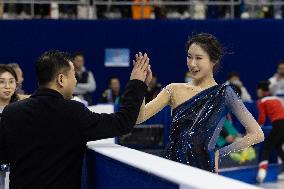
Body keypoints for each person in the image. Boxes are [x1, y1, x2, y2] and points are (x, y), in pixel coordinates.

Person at [0, 50, 151, 188]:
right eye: (74, 75)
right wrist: (137, 83)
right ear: (61, 79)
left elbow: (4, 156)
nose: (75, 81)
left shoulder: (11, 112)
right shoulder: (73, 112)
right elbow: (122, 122)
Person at [135, 33, 264, 173]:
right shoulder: (173, 89)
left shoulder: (225, 93)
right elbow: (138, 118)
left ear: (213, 60)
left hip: (204, 169)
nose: (192, 64)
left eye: (199, 58)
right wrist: (140, 86)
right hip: (172, 166)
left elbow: (257, 134)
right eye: (189, 57)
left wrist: (220, 152)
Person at [255, 81, 284, 183]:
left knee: (267, 147)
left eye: (258, 90)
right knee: (277, 146)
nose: (257, 92)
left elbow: (262, 119)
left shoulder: (261, 102)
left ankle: (261, 174)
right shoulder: (277, 99)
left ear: (262, 91)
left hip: (278, 124)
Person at [0, 65, 21, 189]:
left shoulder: (23, 109)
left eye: (11, 81)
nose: (7, 86)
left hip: (16, 169)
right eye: (1, 82)